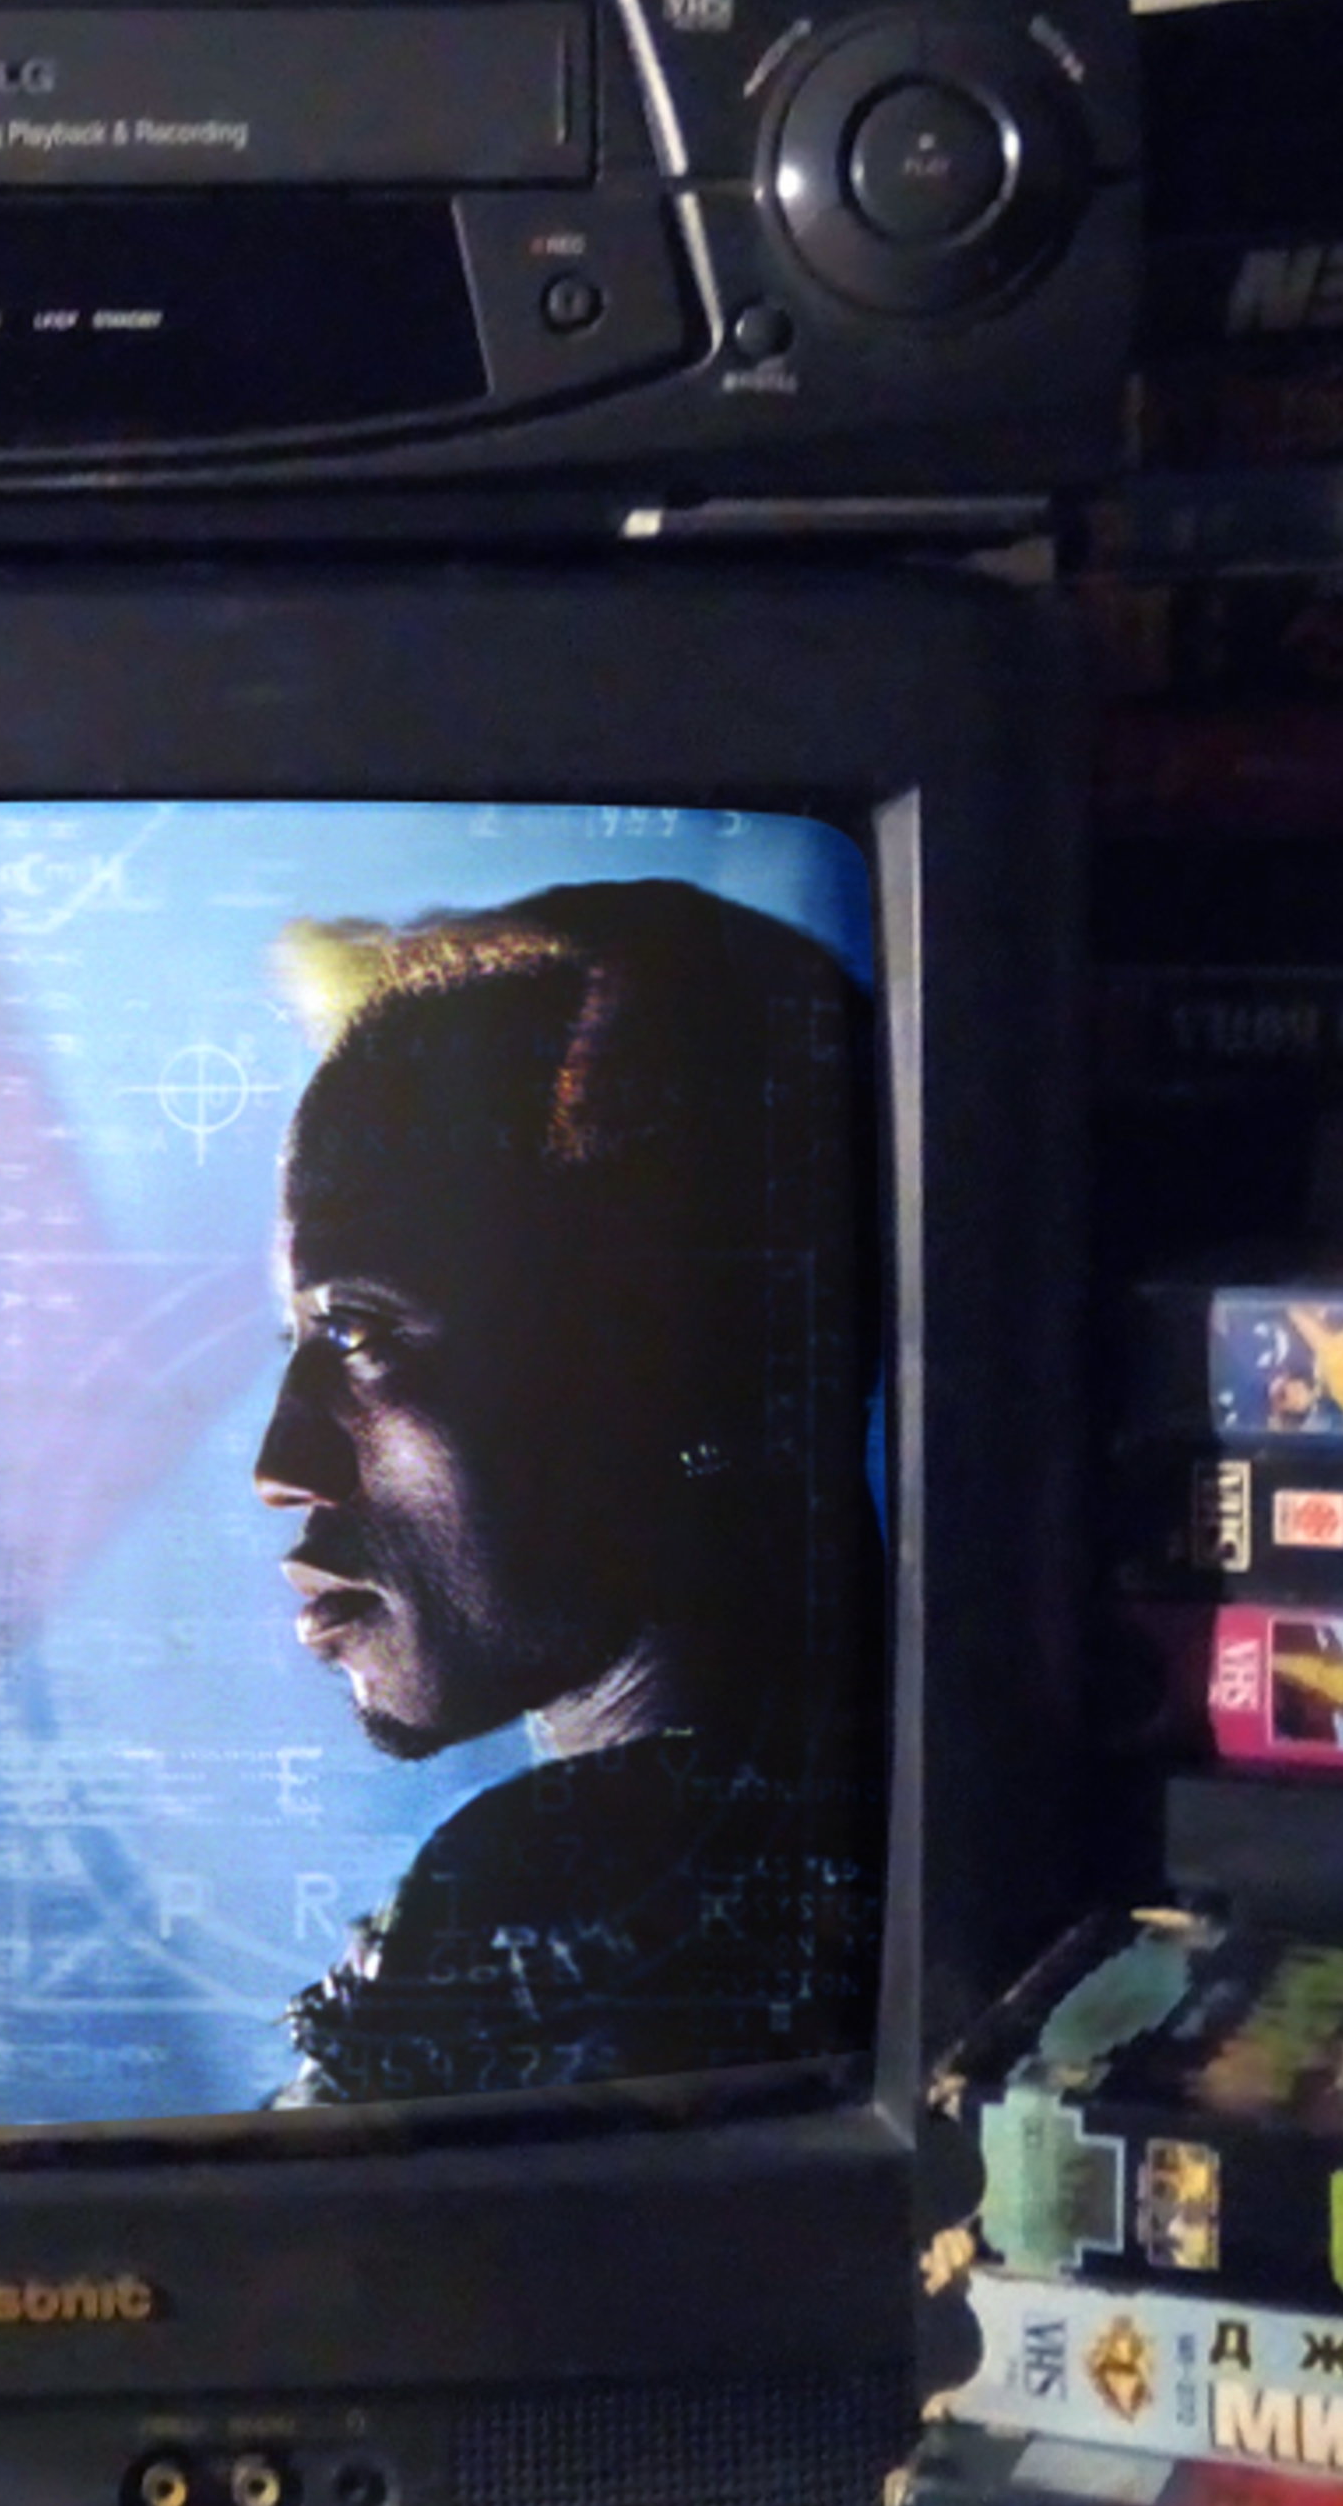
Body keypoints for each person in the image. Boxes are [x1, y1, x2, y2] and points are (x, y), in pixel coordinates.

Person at [250, 879, 887, 2105]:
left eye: (359, 1332)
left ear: (685, 1359)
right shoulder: (873, 1835)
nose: (280, 1465)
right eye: (299, 1343)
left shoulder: (536, 1894)